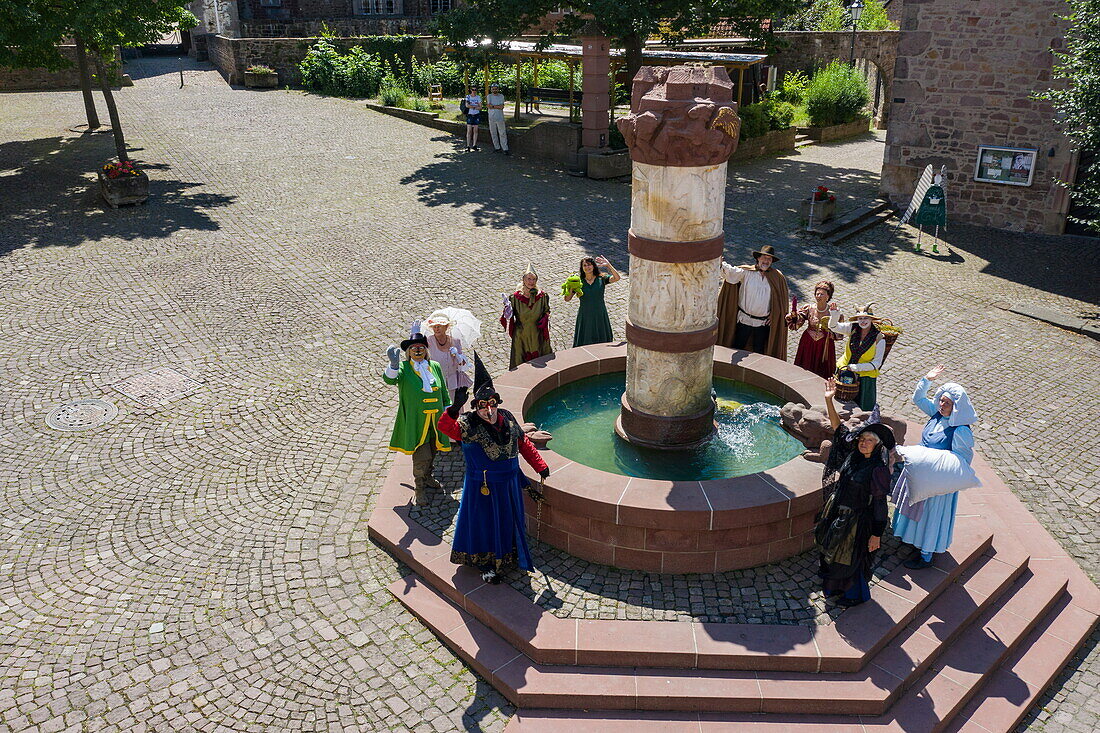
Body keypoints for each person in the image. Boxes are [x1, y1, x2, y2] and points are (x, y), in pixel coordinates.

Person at [438, 354, 549, 584]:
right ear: (476, 406)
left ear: (497, 403)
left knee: (507, 521)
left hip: (508, 484)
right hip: (483, 488)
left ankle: (508, 555)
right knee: (485, 524)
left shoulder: (507, 418)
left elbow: (523, 443)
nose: (489, 410)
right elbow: (445, 427)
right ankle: (486, 563)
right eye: (482, 405)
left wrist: (540, 465)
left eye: (492, 404)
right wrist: (454, 408)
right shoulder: (468, 424)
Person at [818, 377, 894, 607]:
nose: (863, 443)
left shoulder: (878, 471)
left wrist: (876, 534)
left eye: (869, 440)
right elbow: (838, 429)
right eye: (862, 438)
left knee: (851, 559)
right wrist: (829, 401)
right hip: (839, 513)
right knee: (833, 553)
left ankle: (855, 595)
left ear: (878, 444)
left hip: (859, 522)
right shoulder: (854, 454)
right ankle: (833, 588)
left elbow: (880, 504)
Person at [892, 366, 977, 570]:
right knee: (912, 506)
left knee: (930, 516)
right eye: (941, 400)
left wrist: (934, 461)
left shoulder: (960, 430)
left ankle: (926, 554)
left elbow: (962, 461)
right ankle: (910, 540)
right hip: (920, 472)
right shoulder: (936, 414)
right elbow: (919, 399)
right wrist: (926, 379)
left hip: (937, 483)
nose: (941, 404)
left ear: (956, 406)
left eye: (947, 403)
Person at [384, 330, 451, 505]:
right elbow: (390, 380)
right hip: (417, 421)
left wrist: (449, 412)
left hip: (436, 420)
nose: (418, 350)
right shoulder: (404, 368)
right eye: (414, 348)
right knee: (422, 455)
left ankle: (428, 476)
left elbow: (443, 390)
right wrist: (392, 365)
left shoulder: (434, 366)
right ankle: (419, 486)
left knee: (434, 450)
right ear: (409, 352)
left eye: (421, 347)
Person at [717, 244, 790, 360]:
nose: (766, 261)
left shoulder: (777, 277)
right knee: (737, 348)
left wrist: (774, 313)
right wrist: (720, 263)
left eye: (769, 259)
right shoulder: (746, 273)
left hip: (762, 324)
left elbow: (779, 300)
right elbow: (730, 273)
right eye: (764, 258)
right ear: (758, 258)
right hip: (744, 321)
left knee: (759, 354)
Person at [831, 302, 887, 411]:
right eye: (860, 318)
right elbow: (833, 326)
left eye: (866, 318)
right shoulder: (852, 328)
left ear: (871, 319)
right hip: (844, 371)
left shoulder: (879, 338)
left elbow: (877, 363)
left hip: (865, 379)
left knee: (863, 410)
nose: (863, 321)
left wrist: (857, 368)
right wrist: (834, 315)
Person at [501, 264, 551, 369]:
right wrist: (507, 311)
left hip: (537, 333)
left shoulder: (542, 296)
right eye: (529, 279)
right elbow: (509, 316)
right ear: (523, 279)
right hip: (521, 334)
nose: (531, 282)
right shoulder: (515, 298)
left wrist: (545, 318)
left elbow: (547, 310)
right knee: (520, 362)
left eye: (533, 279)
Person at [789, 280, 841, 379]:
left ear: (828, 296)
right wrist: (794, 315)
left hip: (824, 344)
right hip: (808, 342)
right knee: (805, 365)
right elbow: (798, 319)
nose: (818, 296)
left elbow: (839, 331)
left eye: (822, 294)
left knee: (822, 370)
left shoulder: (832, 312)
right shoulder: (809, 308)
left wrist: (831, 328)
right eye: (817, 294)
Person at [565, 255, 620, 347]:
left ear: (594, 266)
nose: (587, 267)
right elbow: (567, 299)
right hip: (585, 314)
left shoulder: (601, 278)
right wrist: (570, 287)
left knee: (602, 340)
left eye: (589, 265)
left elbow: (617, 278)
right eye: (585, 265)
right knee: (585, 339)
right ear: (582, 268)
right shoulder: (578, 282)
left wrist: (608, 265)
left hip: (600, 313)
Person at [421, 311, 472, 401]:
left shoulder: (455, 341)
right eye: (434, 327)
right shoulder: (429, 341)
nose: (436, 329)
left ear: (446, 327)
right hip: (436, 380)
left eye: (439, 326)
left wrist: (457, 356)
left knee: (452, 406)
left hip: (452, 381)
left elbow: (462, 364)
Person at [486, 82, 510, 155]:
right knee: (493, 133)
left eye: (496, 89)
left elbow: (502, 107)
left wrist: (493, 106)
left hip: (500, 118)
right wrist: (496, 106)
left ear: (498, 89)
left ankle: (505, 148)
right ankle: (497, 147)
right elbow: (488, 106)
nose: (494, 90)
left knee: (502, 133)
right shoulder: (489, 96)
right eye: (493, 89)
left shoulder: (501, 96)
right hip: (491, 117)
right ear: (491, 89)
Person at [463, 86, 482, 152]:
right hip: (470, 115)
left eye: (475, 89)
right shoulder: (468, 97)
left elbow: (480, 107)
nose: (474, 91)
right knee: (469, 131)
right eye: (473, 89)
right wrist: (475, 106)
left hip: (476, 115)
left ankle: (474, 145)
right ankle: (468, 146)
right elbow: (467, 105)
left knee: (476, 131)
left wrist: (472, 106)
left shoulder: (478, 97)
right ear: (470, 90)